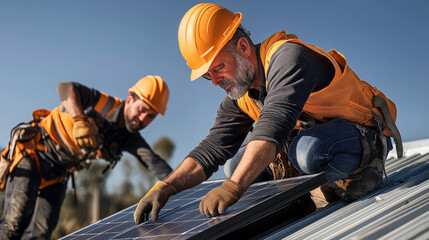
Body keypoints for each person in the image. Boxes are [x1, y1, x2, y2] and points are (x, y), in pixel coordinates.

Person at [134, 3, 402, 224]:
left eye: (218, 68)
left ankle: (354, 177)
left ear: (242, 47)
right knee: (235, 165)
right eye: (207, 77)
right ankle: (299, 201)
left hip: (361, 135)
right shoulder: (240, 94)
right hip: (315, 140)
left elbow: (274, 123)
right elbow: (212, 148)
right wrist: (167, 186)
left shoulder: (288, 58)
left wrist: (234, 187)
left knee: (306, 151)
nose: (215, 81)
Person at [0, 75, 173, 239]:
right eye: (142, 110)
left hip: (59, 173)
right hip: (33, 155)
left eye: (150, 116)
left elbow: (154, 162)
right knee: (14, 224)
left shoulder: (128, 138)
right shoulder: (103, 103)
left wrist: (180, 185)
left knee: (42, 232)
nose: (143, 118)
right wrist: (80, 119)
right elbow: (65, 87)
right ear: (129, 100)